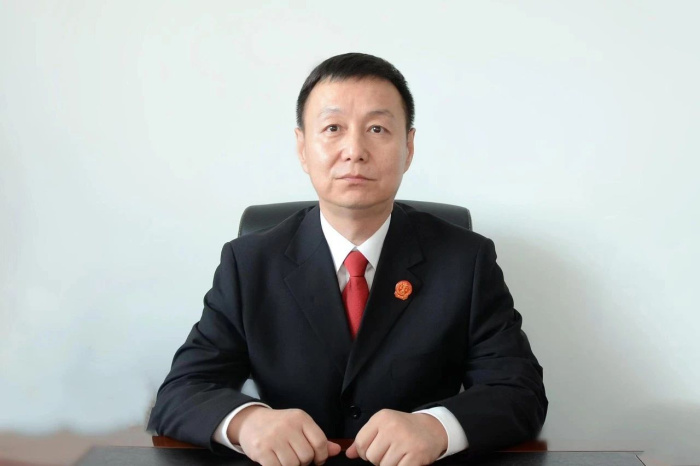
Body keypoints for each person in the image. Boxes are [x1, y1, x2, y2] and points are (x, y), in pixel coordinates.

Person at [148, 53, 547, 466]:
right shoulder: (249, 264)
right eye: (333, 128)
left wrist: (436, 427)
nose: (354, 151)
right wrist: (247, 423)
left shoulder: (466, 260)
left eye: (377, 129)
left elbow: (520, 392)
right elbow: (181, 392)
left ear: (408, 148)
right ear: (303, 148)